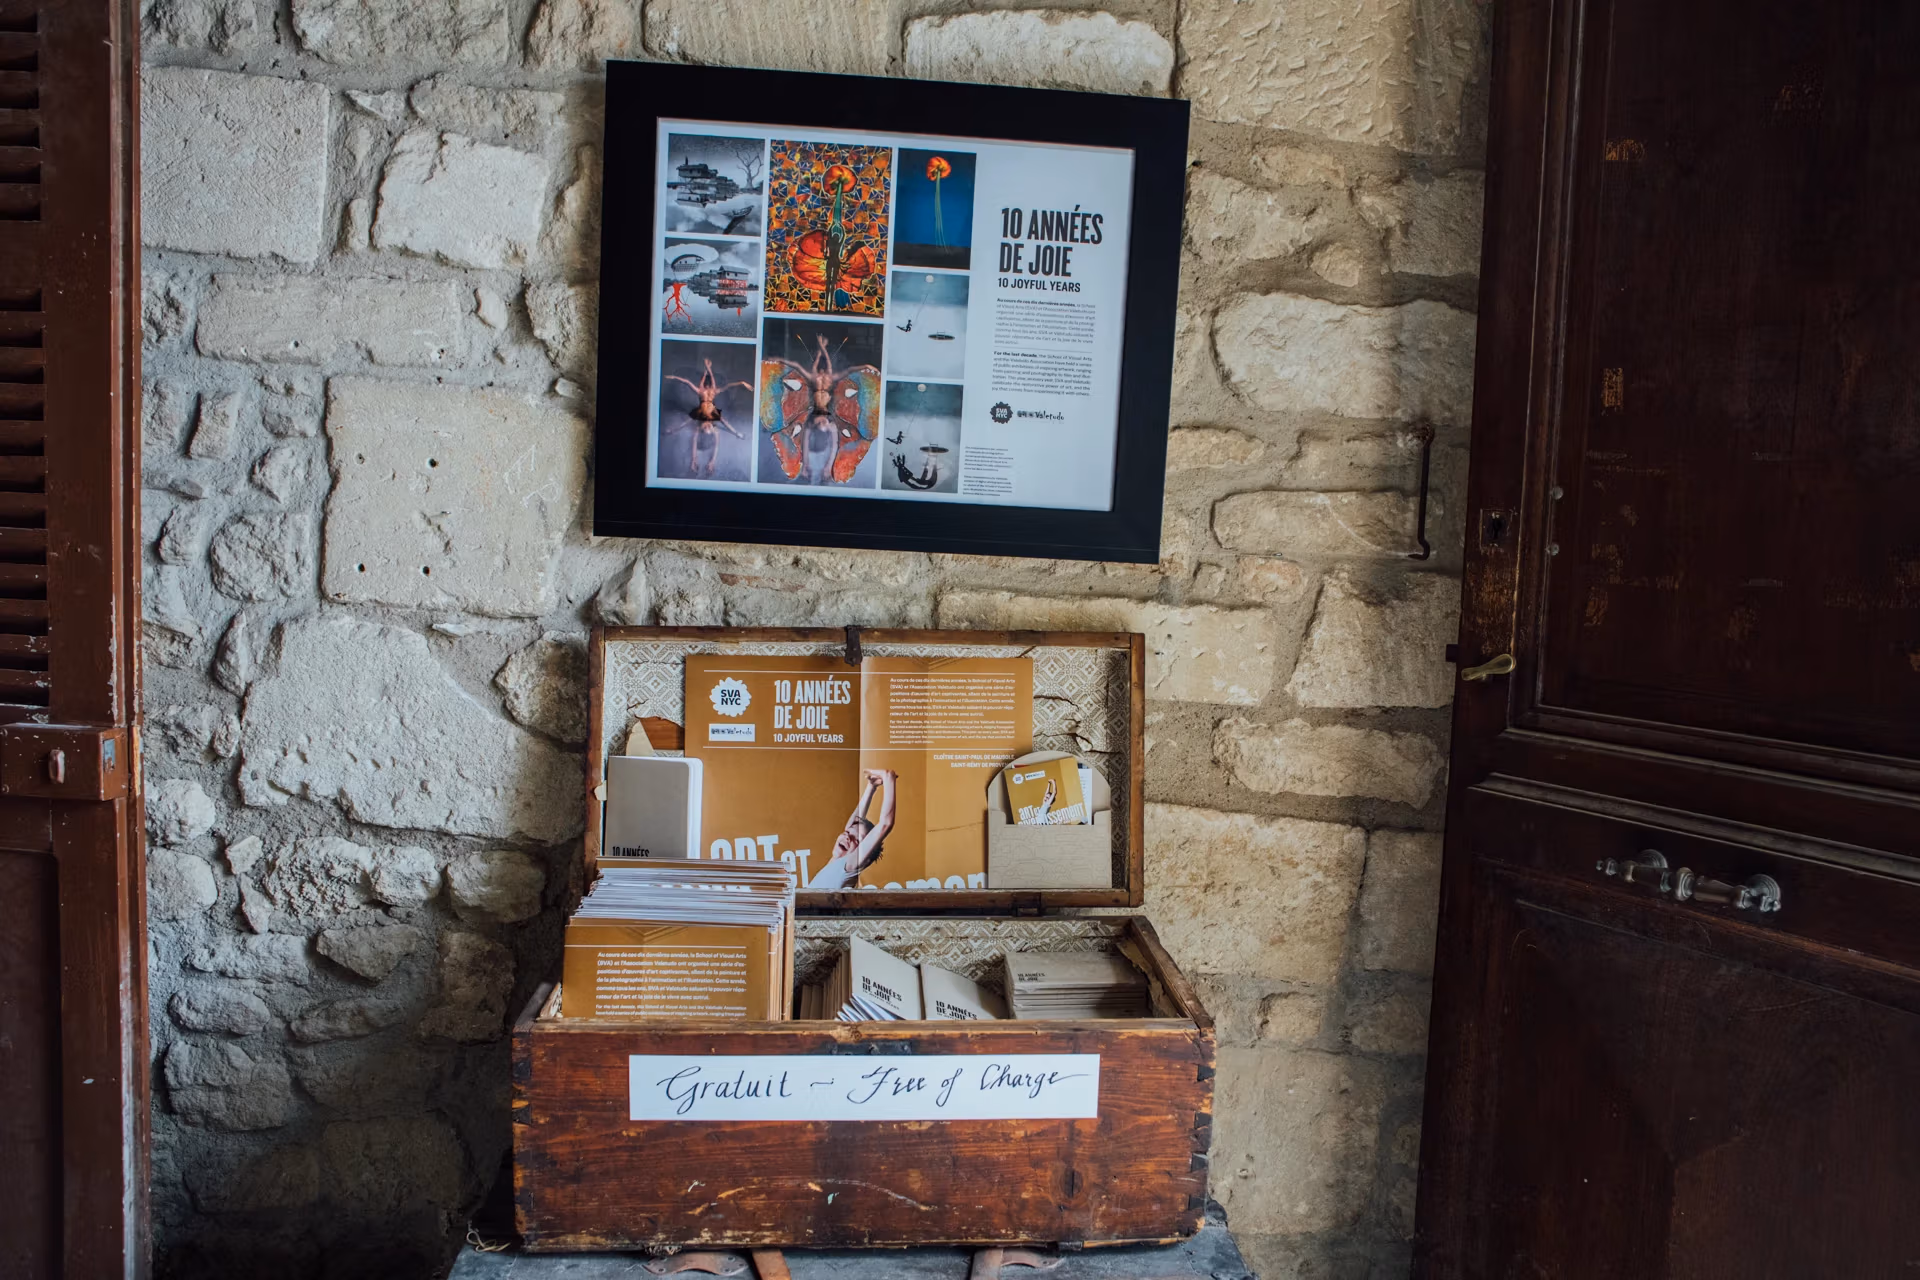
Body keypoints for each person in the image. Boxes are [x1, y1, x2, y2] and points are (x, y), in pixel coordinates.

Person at [807, 768, 896, 890]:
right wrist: (871, 788)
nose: (848, 836)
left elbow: (885, 824)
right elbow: (853, 823)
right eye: (847, 832)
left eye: (857, 839)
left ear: (866, 855)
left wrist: (888, 779)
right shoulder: (835, 862)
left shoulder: (848, 866)